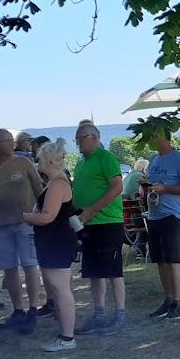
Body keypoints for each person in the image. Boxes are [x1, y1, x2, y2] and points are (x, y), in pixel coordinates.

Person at [0, 128, 44, 333]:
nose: (10, 144)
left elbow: (39, 189)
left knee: (29, 264)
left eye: (10, 140)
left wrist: (43, 215)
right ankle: (18, 310)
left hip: (26, 221)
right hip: (0, 224)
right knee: (8, 268)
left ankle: (33, 308)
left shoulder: (24, 163)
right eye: (5, 141)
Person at [22, 140, 79, 352]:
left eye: (39, 159)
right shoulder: (56, 181)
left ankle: (67, 337)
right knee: (58, 288)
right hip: (53, 241)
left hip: (56, 241)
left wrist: (24, 216)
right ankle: (65, 333)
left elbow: (47, 217)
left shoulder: (57, 184)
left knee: (61, 288)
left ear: (47, 160)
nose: (37, 163)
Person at [72, 123, 126, 336]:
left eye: (80, 138)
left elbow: (117, 187)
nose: (77, 143)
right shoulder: (81, 162)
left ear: (94, 137)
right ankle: (99, 314)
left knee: (113, 271)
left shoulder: (106, 157)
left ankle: (119, 315)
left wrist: (92, 209)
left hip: (108, 223)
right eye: (76, 139)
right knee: (94, 272)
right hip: (88, 225)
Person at [145, 130, 180, 321]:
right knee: (161, 260)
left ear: (165, 137)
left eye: (153, 135)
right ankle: (168, 300)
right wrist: (149, 186)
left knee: (173, 259)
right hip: (154, 214)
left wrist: (165, 188)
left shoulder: (179, 159)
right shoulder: (153, 159)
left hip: (172, 215)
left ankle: (177, 303)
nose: (150, 139)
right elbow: (154, 183)